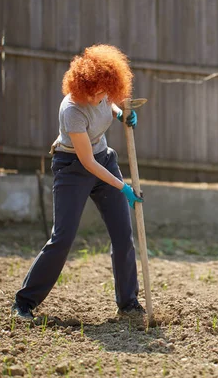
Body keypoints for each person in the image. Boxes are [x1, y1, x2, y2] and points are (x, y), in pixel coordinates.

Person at [11, 44, 144, 321]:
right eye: (96, 94)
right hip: (73, 168)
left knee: (123, 235)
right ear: (83, 87)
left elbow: (110, 109)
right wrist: (123, 187)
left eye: (106, 92)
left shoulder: (104, 90)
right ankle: (24, 303)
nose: (102, 98)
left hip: (104, 159)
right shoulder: (72, 109)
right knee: (62, 238)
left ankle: (128, 303)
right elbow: (87, 163)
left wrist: (123, 114)